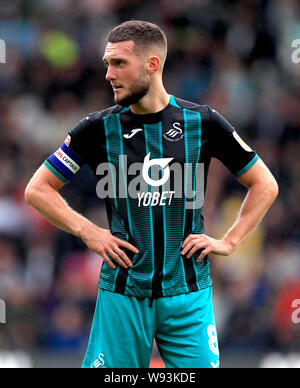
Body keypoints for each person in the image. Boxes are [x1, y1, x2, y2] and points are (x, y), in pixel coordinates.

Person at [25, 20, 278, 368]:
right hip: (123, 293)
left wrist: (229, 241)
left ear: (152, 64)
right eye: (106, 64)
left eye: (118, 63)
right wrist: (89, 231)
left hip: (188, 295)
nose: (108, 75)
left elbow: (265, 183)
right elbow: (38, 189)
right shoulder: (96, 127)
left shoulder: (203, 122)